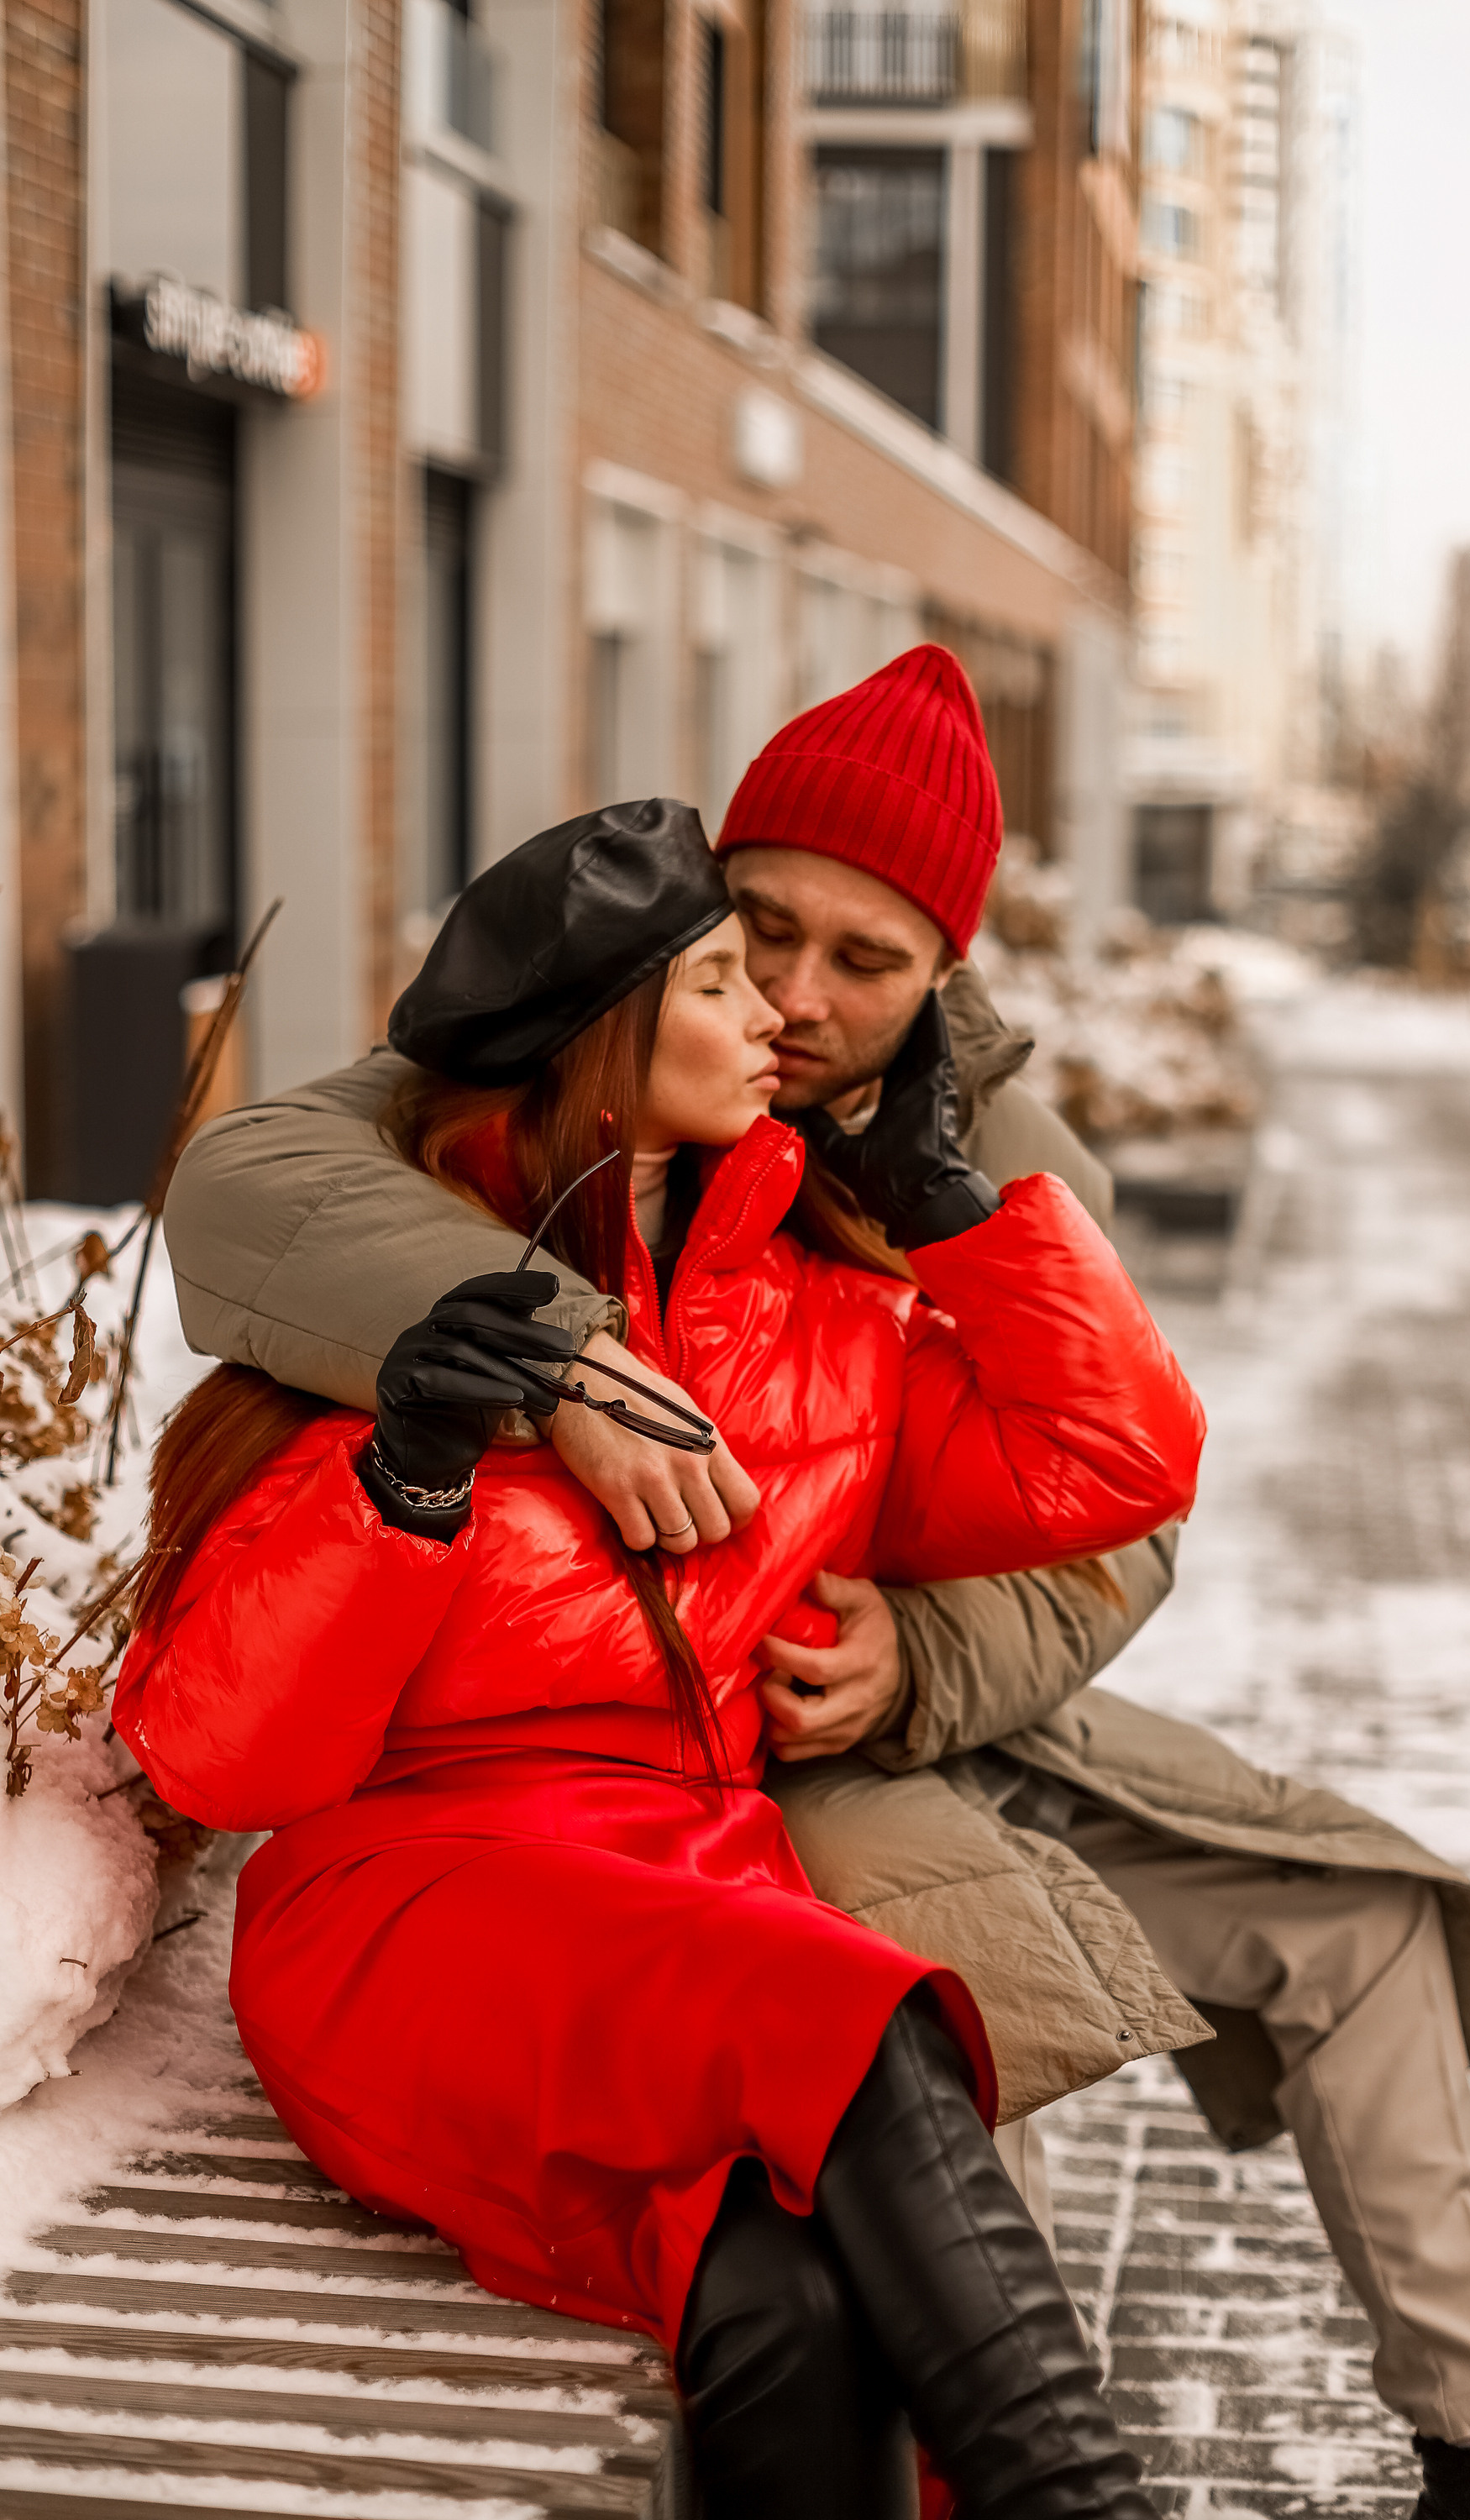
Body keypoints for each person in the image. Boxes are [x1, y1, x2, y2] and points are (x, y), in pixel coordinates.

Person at [161, 648, 1470, 2520]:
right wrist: (560, 1366)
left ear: (945, 974)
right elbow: (259, 1191)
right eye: (755, 932)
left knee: (1368, 1929)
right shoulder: (575, 1057)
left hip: (863, 1701)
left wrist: (920, 1658)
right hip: (635, 1779)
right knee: (929, 2022)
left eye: (858, 964)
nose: (789, 997)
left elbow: (1120, 1499)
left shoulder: (976, 1161)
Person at [118, 797, 1208, 2520]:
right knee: (854, 2011)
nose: (782, 1009)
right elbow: (213, 1761)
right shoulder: (402, 1323)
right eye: (722, 976)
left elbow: (1112, 1466)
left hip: (696, 1866)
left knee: (786, 2285)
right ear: (601, 1052)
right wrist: (403, 1478)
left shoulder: (825, 1322)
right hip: (416, 1904)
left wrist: (958, 1213)